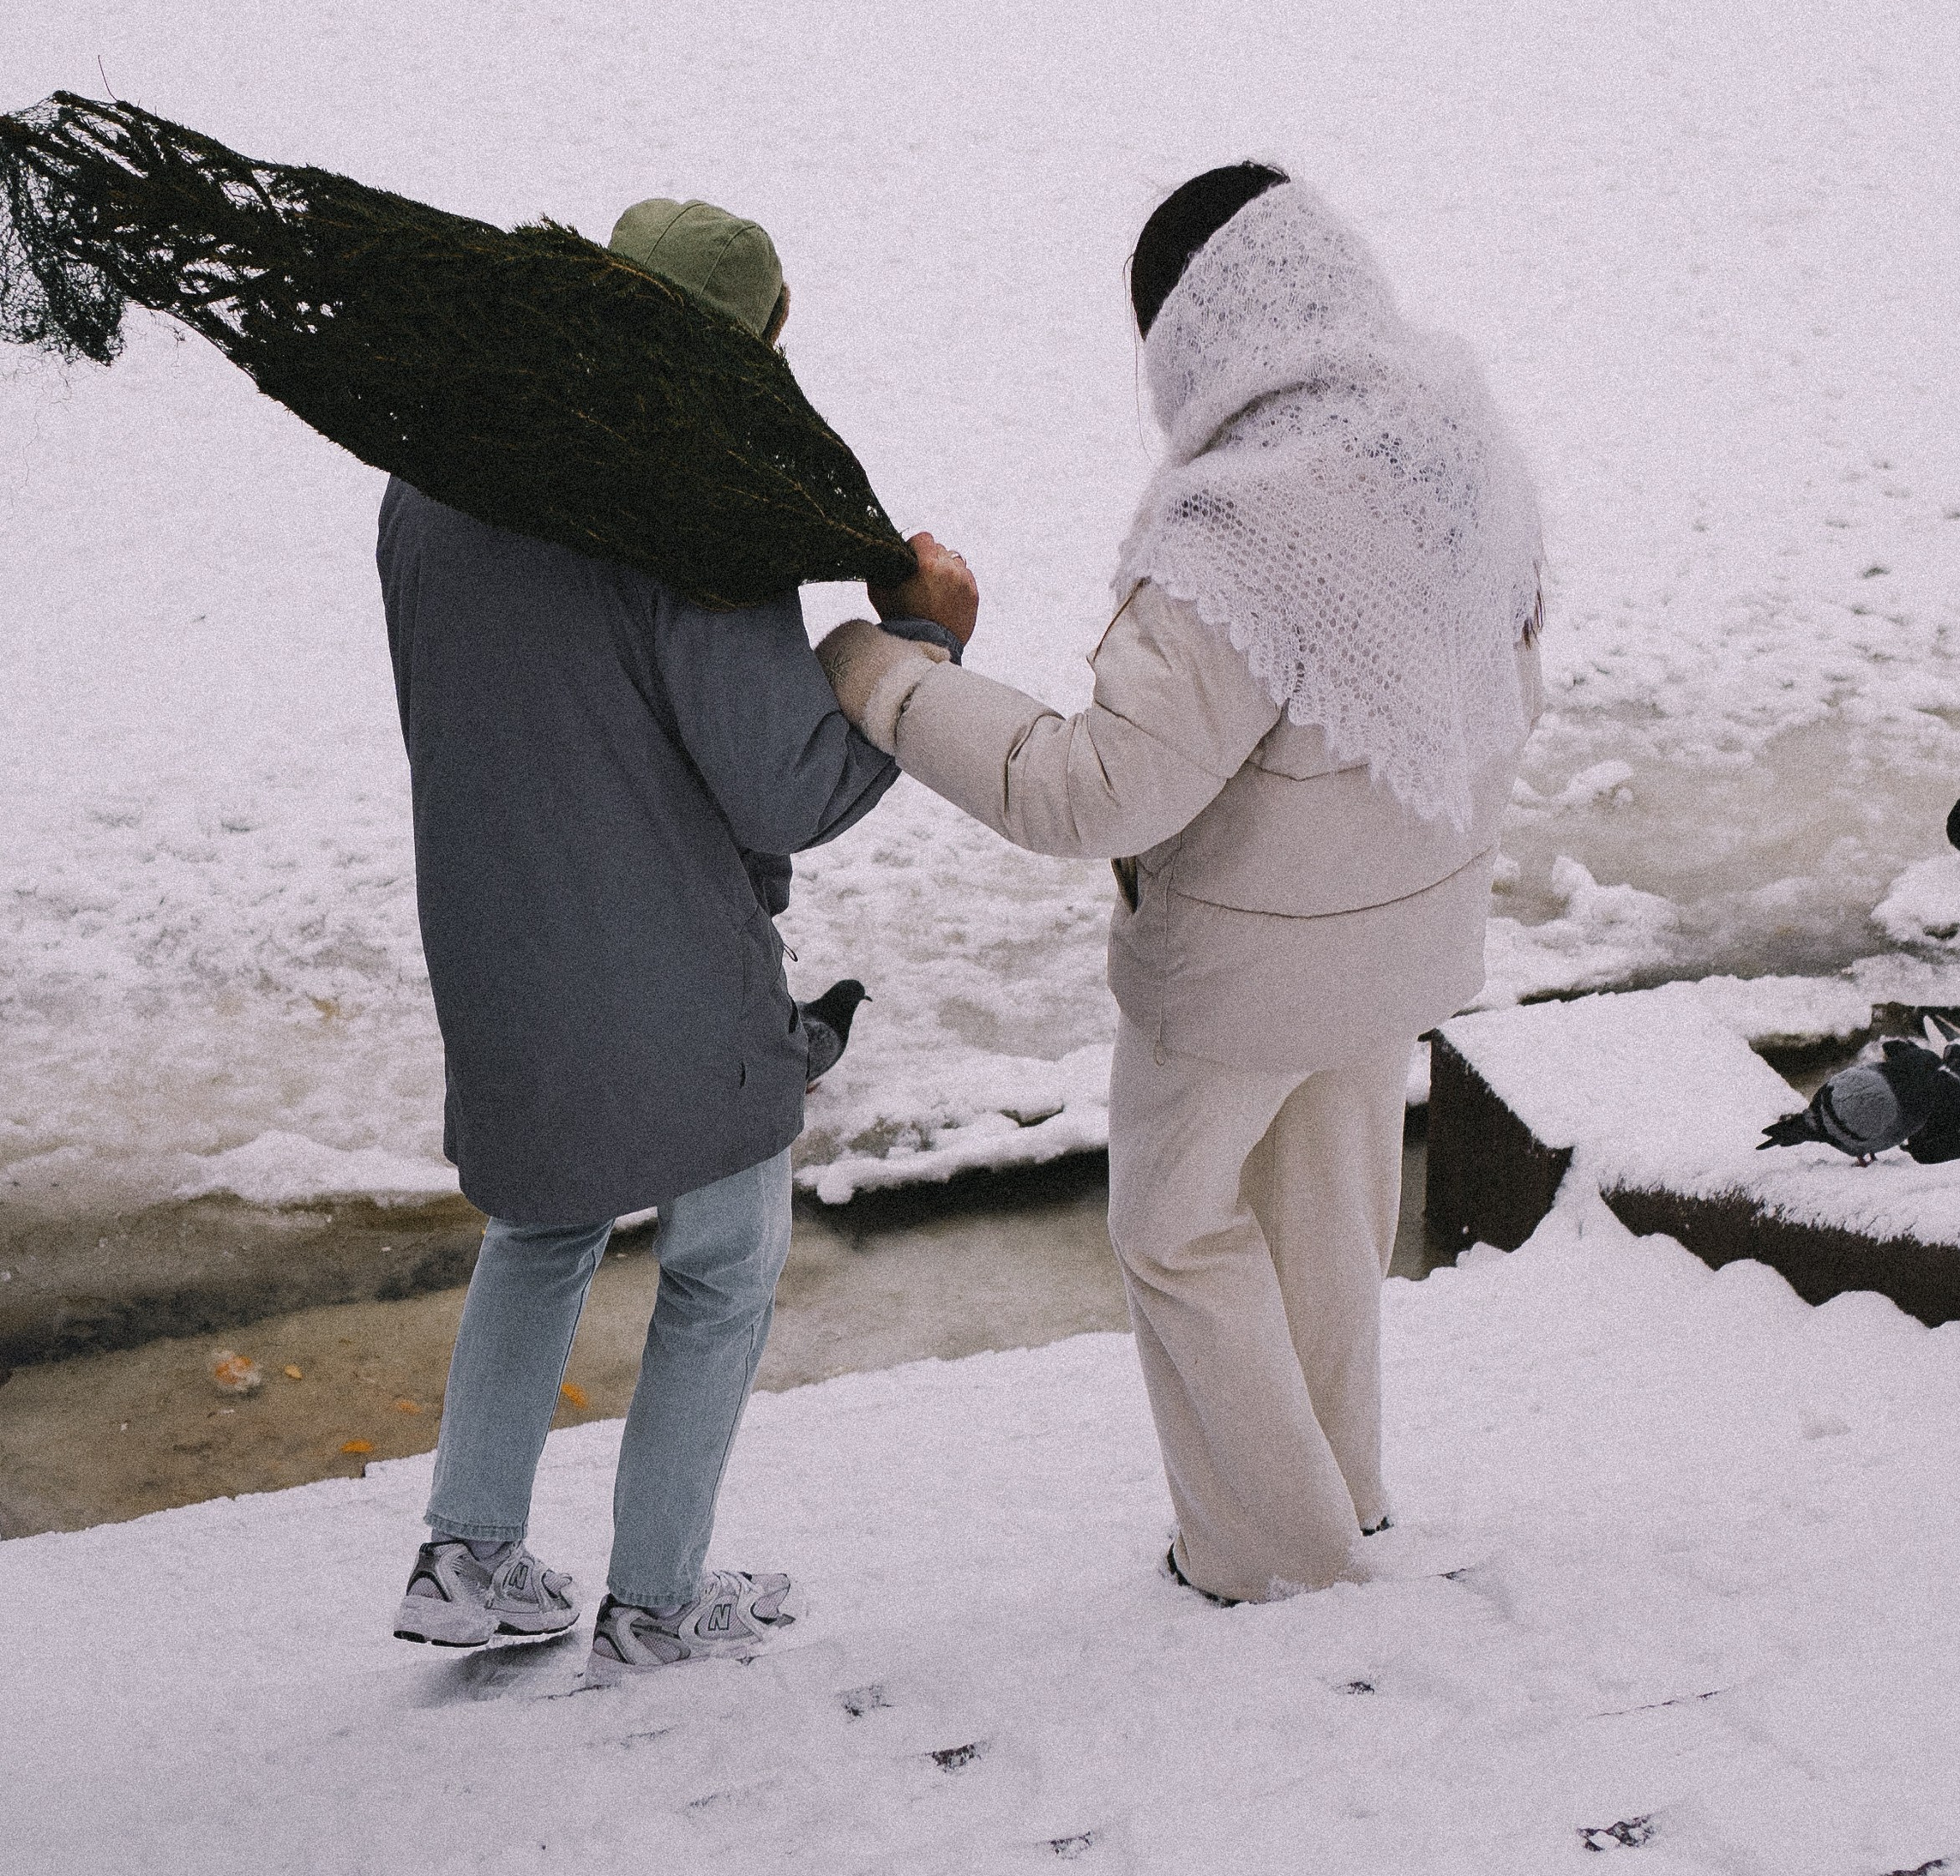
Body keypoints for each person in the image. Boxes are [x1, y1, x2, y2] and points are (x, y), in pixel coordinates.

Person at [820, 166, 1544, 1605]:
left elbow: (1092, 790)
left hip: (1239, 976)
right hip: (1405, 927)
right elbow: (1514, 667)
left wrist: (885, 677)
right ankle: (1343, 1496)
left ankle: (1268, 1552)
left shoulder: (1240, 529)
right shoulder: (1456, 430)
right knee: (1328, 1209)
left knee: (1176, 1228)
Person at [382, 194, 975, 1681]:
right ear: (751, 346)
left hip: (489, 934)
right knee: (723, 1263)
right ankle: (656, 1602)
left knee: (544, 1222)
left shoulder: (434, 481)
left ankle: (466, 1553)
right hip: (669, 962)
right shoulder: (684, 523)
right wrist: (927, 640)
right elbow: (791, 782)